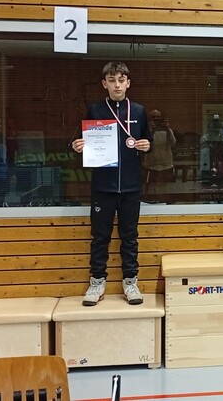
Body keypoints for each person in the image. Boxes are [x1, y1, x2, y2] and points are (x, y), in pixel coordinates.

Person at [71, 62, 153, 306]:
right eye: (112, 80)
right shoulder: (95, 110)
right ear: (104, 84)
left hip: (131, 186)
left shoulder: (138, 111)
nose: (117, 85)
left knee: (130, 237)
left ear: (128, 83)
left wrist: (147, 145)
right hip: (102, 186)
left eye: (121, 80)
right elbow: (79, 140)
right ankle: (97, 282)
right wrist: (77, 146)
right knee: (100, 237)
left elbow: (148, 140)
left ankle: (130, 282)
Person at [142, 109, 176, 192]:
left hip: (166, 165)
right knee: (150, 190)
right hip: (151, 166)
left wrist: (167, 128)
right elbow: (145, 145)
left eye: (158, 117)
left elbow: (173, 143)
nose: (156, 119)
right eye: (153, 117)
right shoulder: (146, 131)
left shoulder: (168, 130)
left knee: (167, 190)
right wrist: (151, 130)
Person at [199, 114, 223, 185]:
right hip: (207, 168)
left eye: (218, 129)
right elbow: (205, 156)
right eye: (214, 129)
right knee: (206, 185)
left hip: (221, 169)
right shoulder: (204, 139)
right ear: (209, 129)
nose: (216, 131)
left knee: (222, 185)